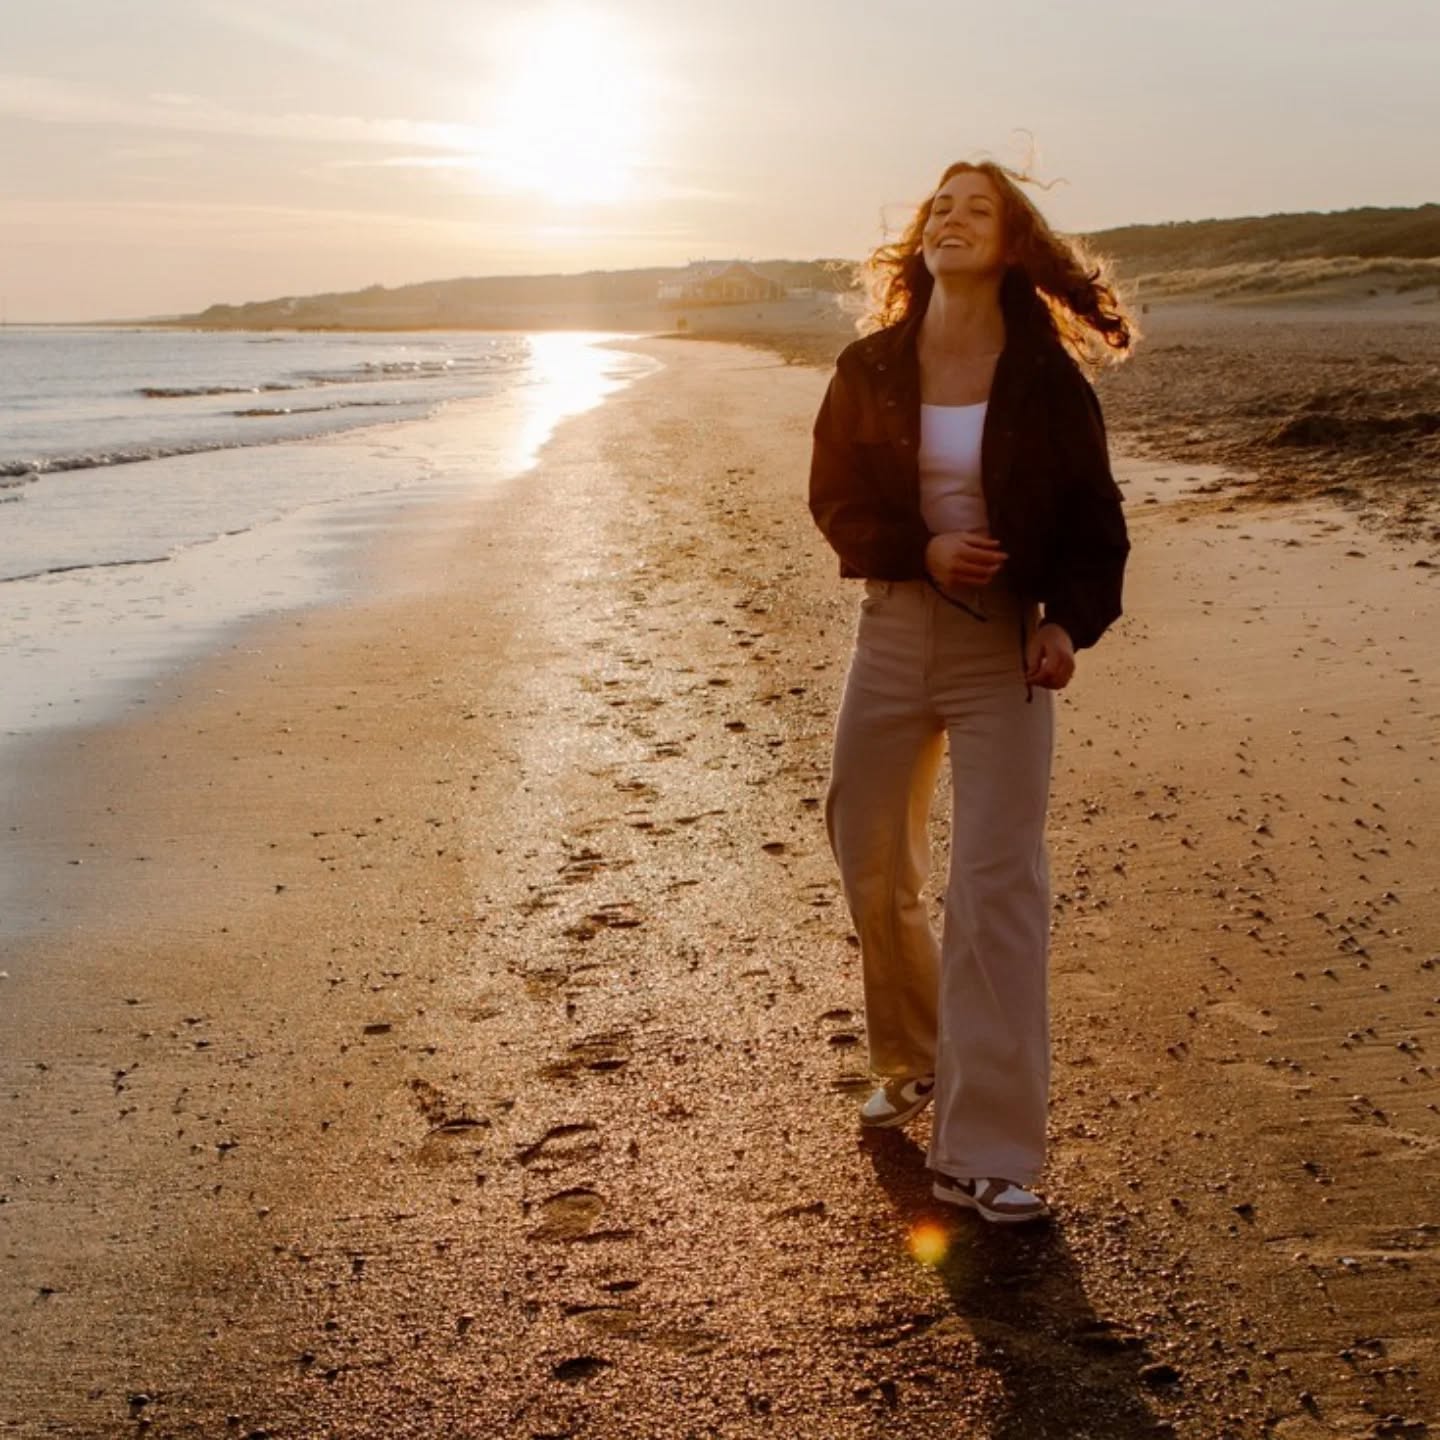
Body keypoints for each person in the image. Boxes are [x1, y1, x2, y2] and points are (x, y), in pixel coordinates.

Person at [809, 160, 1135, 1224]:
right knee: (869, 853)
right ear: (921, 241)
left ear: (1011, 243)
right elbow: (838, 501)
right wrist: (924, 545)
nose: (953, 218)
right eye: (939, 207)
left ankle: (986, 1152)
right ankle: (913, 1058)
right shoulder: (870, 365)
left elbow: (1097, 528)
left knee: (998, 889)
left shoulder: (1047, 383)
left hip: (1004, 655)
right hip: (894, 634)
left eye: (977, 208)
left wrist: (1062, 624)